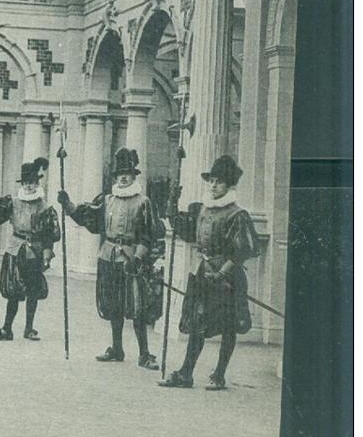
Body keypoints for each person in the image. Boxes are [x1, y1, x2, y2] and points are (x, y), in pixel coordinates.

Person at [58, 148, 165, 368]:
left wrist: (138, 257)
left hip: (131, 259)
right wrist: (68, 205)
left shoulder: (143, 202)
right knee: (113, 304)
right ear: (115, 177)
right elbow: (89, 217)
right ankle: (117, 349)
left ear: (134, 175)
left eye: (127, 173)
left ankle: (144, 354)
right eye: (119, 174)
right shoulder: (106, 200)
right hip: (108, 257)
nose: (123, 177)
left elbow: (149, 234)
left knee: (137, 306)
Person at [160, 155, 260, 390]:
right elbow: (183, 229)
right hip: (203, 274)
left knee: (228, 325)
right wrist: (172, 203)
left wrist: (223, 273)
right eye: (211, 181)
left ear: (229, 185)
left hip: (228, 278)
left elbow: (243, 250)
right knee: (197, 322)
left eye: (219, 182)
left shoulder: (237, 215)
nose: (213, 185)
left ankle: (219, 374)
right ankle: (186, 373)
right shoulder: (202, 210)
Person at [0, 159, 61, 341]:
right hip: (15, 250)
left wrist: (47, 253)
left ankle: (29, 328)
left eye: (32, 182)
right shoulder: (13, 202)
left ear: (37, 183)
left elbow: (51, 234)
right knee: (14, 290)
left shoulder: (45, 207)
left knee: (33, 290)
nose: (29, 186)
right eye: (26, 182)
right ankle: (6, 329)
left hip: (35, 251)